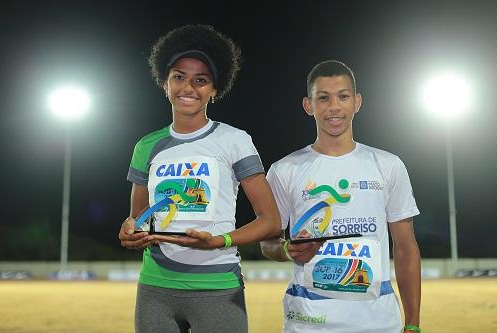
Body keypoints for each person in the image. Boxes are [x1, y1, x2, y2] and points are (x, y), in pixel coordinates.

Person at [118, 24, 281, 333]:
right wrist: (130, 231)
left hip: (218, 288)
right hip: (155, 289)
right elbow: (139, 218)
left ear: (215, 90)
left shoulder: (235, 140)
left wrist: (219, 241)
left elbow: (271, 220)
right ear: (164, 83)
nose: (188, 87)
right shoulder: (146, 146)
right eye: (178, 77)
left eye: (201, 80)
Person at [260, 60, 421, 333]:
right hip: (309, 323)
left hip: (378, 322)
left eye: (343, 96)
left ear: (357, 102)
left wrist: (413, 324)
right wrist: (287, 249)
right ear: (308, 106)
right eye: (323, 98)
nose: (334, 106)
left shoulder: (388, 165)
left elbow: (405, 248)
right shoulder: (284, 170)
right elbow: (267, 243)